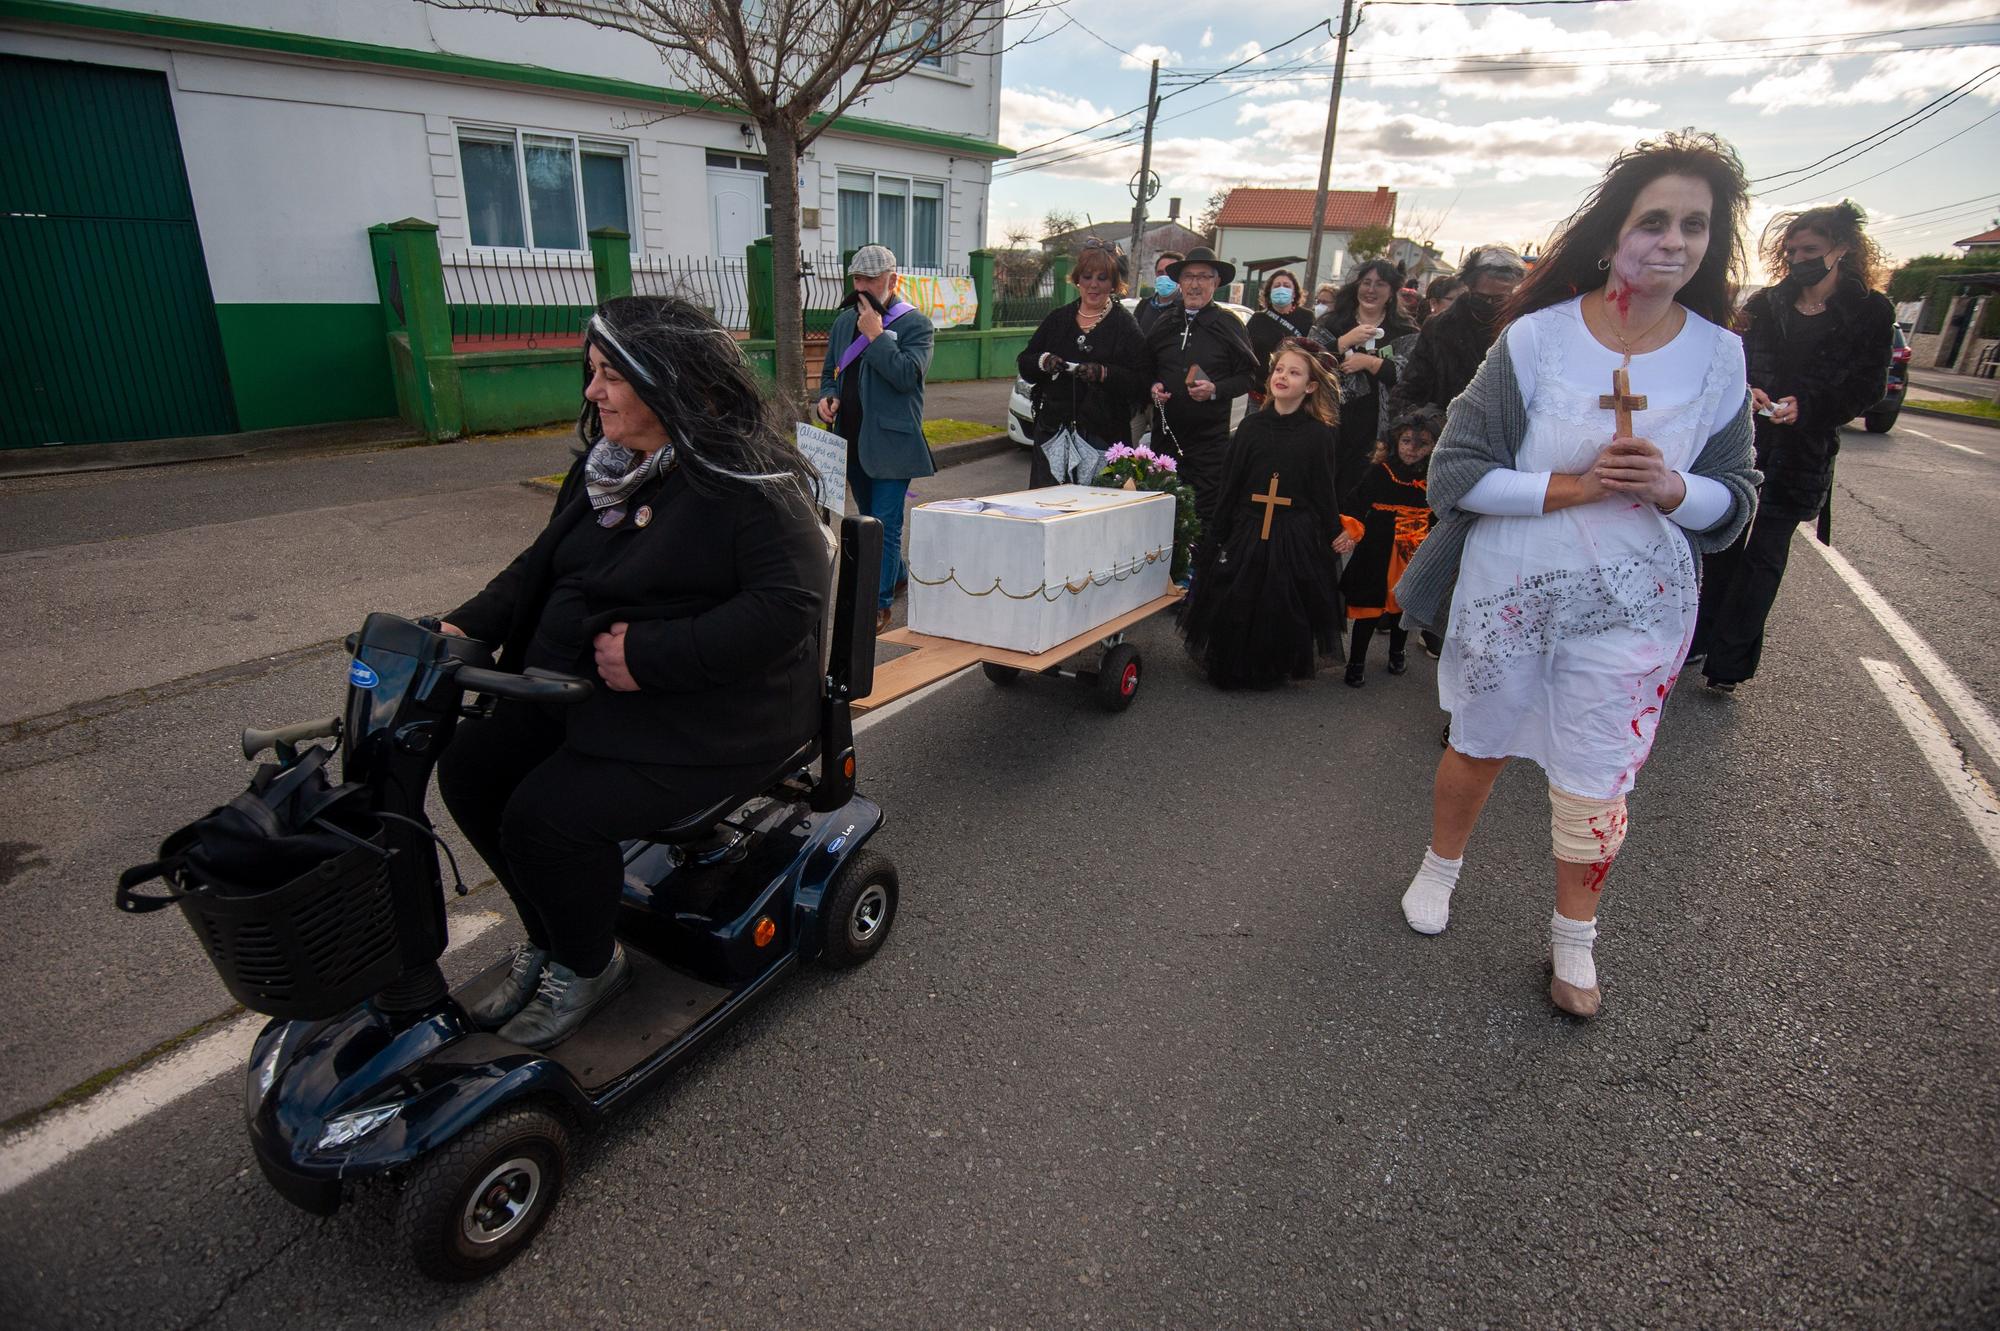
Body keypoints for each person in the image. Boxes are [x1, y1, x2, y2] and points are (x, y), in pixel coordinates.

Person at [1389, 131, 1762, 1019]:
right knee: (1477, 741)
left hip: (1636, 606)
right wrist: (1580, 485)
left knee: (1598, 773)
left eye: (1696, 226)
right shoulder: (1536, 342)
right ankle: (1440, 869)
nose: (1673, 241)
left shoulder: (1719, 358)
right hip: (1511, 589)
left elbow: (1738, 499)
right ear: (1611, 237)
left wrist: (1674, 487)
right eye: (1655, 221)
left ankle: (1574, 941)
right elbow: (1455, 472)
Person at [437, 295, 828, 1049]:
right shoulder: (610, 465)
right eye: (593, 373)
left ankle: (587, 965)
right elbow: (542, 565)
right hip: (592, 696)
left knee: (544, 817)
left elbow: (788, 607)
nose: (593, 392)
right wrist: (463, 625)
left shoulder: (748, 482)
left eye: (612, 375)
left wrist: (649, 655)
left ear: (677, 380)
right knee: (471, 769)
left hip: (713, 716)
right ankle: (555, 939)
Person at [1691, 202, 1893, 692]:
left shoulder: (1870, 311)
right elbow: (1729, 361)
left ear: (1842, 249)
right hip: (1744, 447)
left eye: (1812, 249)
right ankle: (1698, 639)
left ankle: (1729, 665)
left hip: (1803, 454)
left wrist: (1811, 406)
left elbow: (1868, 386)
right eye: (1793, 249)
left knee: (1764, 556)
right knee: (1721, 547)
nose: (1800, 257)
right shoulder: (1765, 304)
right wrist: (1749, 389)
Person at [1179, 338, 1347, 689]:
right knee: (1238, 596)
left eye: (1295, 372)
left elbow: (1322, 491)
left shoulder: (1318, 435)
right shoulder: (1251, 429)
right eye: (1279, 369)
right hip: (1249, 525)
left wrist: (1335, 531)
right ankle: (1232, 665)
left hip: (1293, 530)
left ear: (1311, 386)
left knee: (1282, 599)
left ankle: (1270, 666)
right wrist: (1216, 536)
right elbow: (1230, 486)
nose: (1283, 376)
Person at [815, 244, 935, 633]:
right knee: (871, 522)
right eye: (857, 278)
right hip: (849, 441)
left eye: (871, 279)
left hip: (893, 445)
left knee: (883, 525)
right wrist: (826, 399)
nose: (862, 286)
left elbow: (905, 376)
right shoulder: (841, 323)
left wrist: (877, 335)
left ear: (891, 280)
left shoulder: (916, 325)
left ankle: (878, 604)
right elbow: (831, 373)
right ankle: (897, 574)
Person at [1144, 246, 1260, 526]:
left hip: (1208, 444)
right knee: (1160, 515)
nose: (1195, 284)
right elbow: (1145, 367)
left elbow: (1248, 377)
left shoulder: (1228, 324)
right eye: (1189, 276)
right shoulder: (1165, 322)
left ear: (1216, 282)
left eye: (1204, 277)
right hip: (1166, 438)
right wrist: (1153, 386)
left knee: (1203, 517)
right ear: (1180, 282)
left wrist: (1215, 389)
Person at [1016, 241, 1147, 486]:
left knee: (1094, 512)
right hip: (1054, 433)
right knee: (1049, 505)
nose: (1094, 284)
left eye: (1102, 278)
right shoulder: (1058, 320)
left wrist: (1104, 374)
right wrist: (1045, 362)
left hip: (1104, 436)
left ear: (1113, 284)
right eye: (1087, 277)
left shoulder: (1124, 325)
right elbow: (1025, 363)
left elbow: (1141, 380)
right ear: (1078, 279)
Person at [1339, 406, 1442, 687]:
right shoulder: (1380, 472)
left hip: (1413, 551)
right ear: (1396, 441)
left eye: (1422, 444)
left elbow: (1440, 515)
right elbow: (1356, 502)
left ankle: (1398, 651)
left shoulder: (1434, 476)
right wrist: (1350, 530)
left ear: (1433, 446)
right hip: (1377, 550)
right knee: (1369, 608)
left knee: (1402, 607)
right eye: (1406, 441)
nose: (1412, 449)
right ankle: (1356, 661)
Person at [1386, 246, 1528, 422]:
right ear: (1469, 289)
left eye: (1499, 299)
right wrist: (1419, 425)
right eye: (1482, 297)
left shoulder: (1525, 332)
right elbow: (1410, 388)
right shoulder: (1439, 328)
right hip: (1445, 432)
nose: (1489, 304)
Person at [1312, 259, 1416, 489]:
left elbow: (1409, 376)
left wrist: (1369, 363)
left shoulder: (1405, 330)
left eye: (1380, 284)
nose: (1371, 290)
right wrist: (1342, 342)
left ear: (1391, 292)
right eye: (1366, 282)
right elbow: (1307, 363)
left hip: (1378, 429)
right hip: (1331, 424)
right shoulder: (1332, 323)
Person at [1246, 268, 1314, 398]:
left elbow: (1313, 354)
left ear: (1294, 293)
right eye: (1277, 286)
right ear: (1269, 292)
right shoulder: (1257, 319)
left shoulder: (1307, 317)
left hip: (1293, 392)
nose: (1281, 289)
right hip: (1260, 392)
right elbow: (1246, 353)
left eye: (1286, 286)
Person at [1135, 250, 1186, 339]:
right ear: (1155, 273)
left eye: (1170, 273)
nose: (1164, 277)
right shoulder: (1144, 305)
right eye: (1160, 272)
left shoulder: (1186, 309)